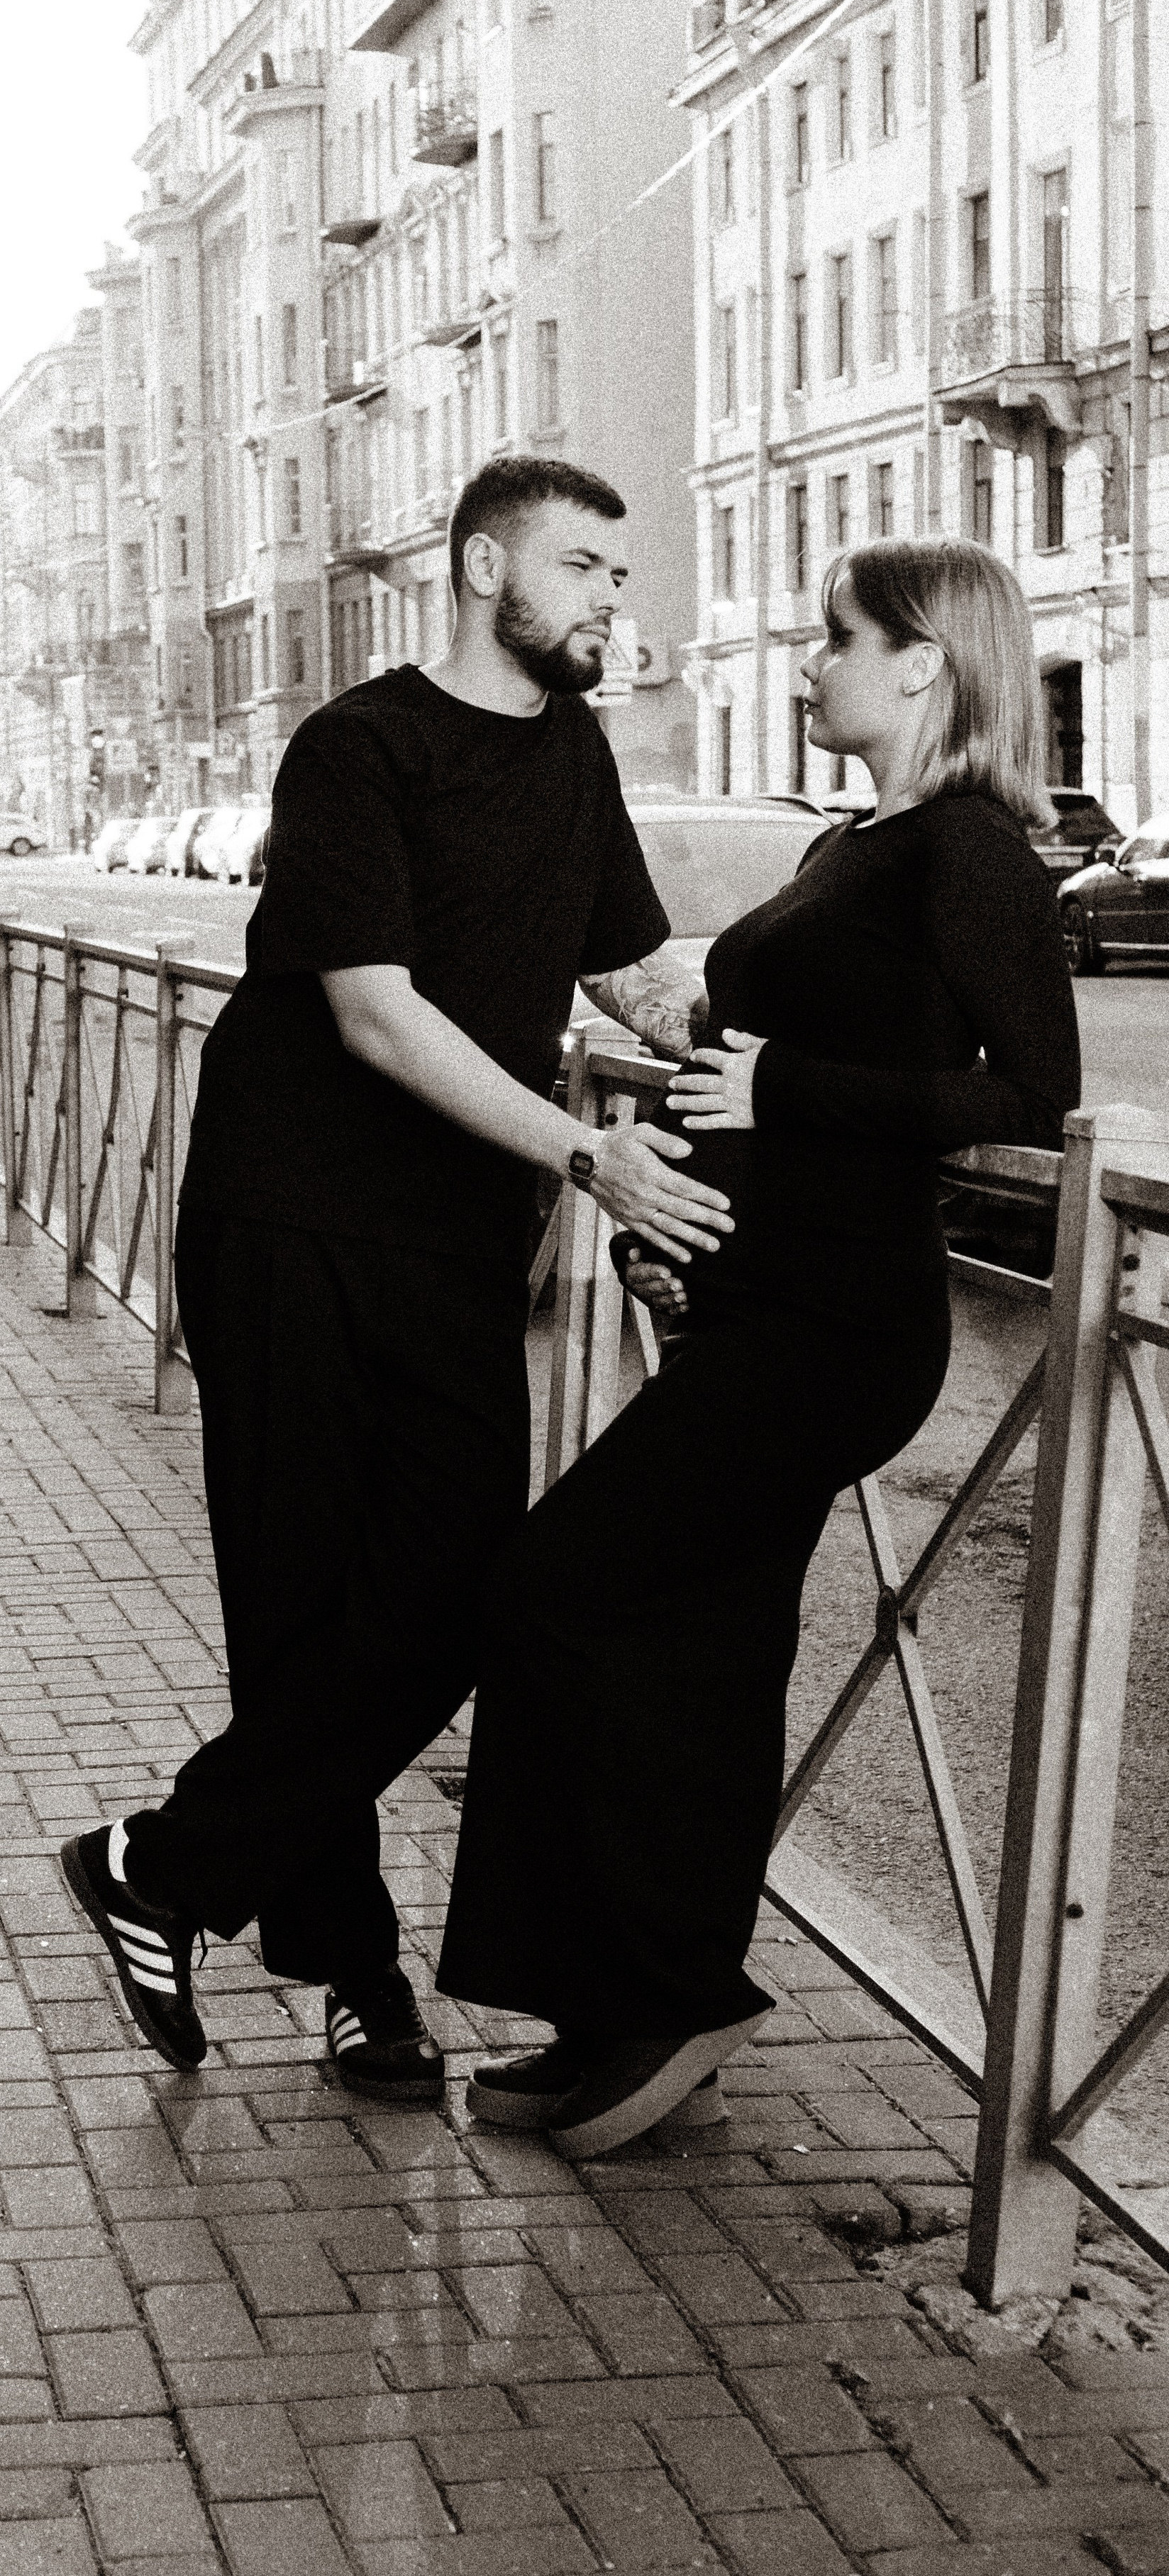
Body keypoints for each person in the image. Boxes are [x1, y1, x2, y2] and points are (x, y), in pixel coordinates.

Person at [61, 456, 733, 2100]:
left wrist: (787, 1060)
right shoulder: (354, 744)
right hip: (286, 1219)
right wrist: (588, 1156)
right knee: (301, 1607)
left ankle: (156, 1865)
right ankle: (358, 1977)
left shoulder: (568, 751)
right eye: (580, 567)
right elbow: (370, 1009)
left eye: (612, 575)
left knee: (450, 1595)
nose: (604, 602)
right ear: (480, 562)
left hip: (450, 1238)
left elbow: (631, 973)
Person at [436, 537, 1082, 2151]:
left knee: (551, 1592)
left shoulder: (970, 850)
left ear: (923, 663)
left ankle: (672, 1991)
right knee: (694, 1654)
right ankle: (614, 2013)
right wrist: (675, 1145)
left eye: (833, 640)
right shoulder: (858, 840)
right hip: (749, 1304)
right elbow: (772, 1044)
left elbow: (1027, 1096)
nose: (805, 663)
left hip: (835, 1327)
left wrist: (778, 1094)